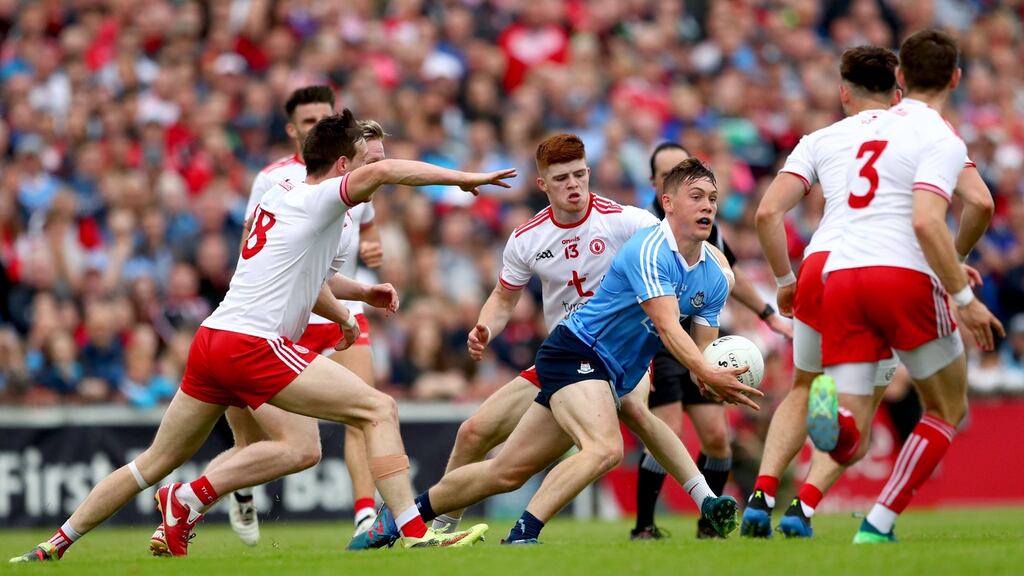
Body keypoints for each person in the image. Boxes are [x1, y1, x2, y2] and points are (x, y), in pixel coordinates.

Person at [9, 111, 517, 562]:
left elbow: (302, 276)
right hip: (252, 344)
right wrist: (465, 178)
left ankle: (57, 542)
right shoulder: (323, 199)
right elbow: (384, 173)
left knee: (162, 462)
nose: (373, 176)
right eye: (363, 164)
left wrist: (355, 301)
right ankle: (413, 532)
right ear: (343, 167)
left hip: (214, 339)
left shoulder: (283, 190)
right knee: (378, 409)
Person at [350, 159, 763, 549]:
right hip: (578, 351)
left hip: (614, 371)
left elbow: (703, 352)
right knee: (605, 447)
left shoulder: (714, 276)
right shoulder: (650, 249)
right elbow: (670, 327)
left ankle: (402, 517)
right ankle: (523, 532)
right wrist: (706, 373)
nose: (707, 204)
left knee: (506, 472)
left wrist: (715, 379)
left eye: (712, 197)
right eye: (696, 196)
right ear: (668, 203)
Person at [748, 45, 995, 538]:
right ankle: (815, 508)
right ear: (898, 85)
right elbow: (977, 203)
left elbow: (768, 213)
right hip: (899, 269)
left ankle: (762, 496)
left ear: (844, 92)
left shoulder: (821, 137)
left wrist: (784, 282)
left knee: (805, 386)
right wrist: (956, 269)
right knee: (904, 411)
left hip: (827, 268)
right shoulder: (925, 131)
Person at [417, 133, 662, 537]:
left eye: (580, 174)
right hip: (565, 357)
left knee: (631, 417)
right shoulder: (527, 237)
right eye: (562, 178)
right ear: (542, 185)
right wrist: (486, 328)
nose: (573, 185)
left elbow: (679, 255)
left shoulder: (627, 221)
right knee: (473, 432)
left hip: (619, 356)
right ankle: (444, 526)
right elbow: (503, 297)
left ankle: (688, 501)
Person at [222, 86, 389, 545]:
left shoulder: (357, 173)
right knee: (270, 438)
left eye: (325, 117)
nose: (318, 125)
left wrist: (373, 251)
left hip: (344, 307)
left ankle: (362, 515)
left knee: (364, 411)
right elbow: (253, 250)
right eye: (309, 120)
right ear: (293, 130)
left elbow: (365, 233)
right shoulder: (272, 180)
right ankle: (235, 483)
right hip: (287, 313)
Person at [634, 142, 792, 540]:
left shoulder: (708, 229)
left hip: (701, 339)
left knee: (717, 437)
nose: (702, 199)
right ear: (659, 186)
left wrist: (769, 315)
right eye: (673, 173)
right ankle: (645, 526)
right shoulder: (640, 229)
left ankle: (710, 527)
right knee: (666, 430)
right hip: (657, 342)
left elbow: (729, 277)